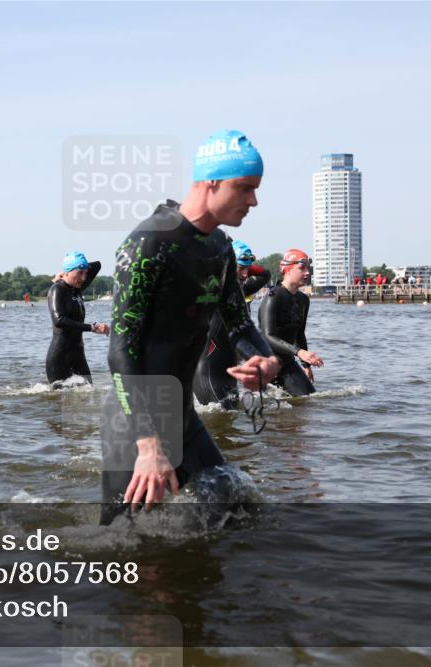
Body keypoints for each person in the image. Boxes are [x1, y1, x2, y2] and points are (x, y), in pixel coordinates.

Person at [102, 129, 279, 524]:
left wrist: (264, 359)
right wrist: (148, 446)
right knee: (127, 544)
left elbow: (238, 324)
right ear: (211, 181)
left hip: (183, 419)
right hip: (134, 422)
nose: (254, 200)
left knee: (241, 512)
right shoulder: (150, 241)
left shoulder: (220, 247)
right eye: (244, 188)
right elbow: (120, 349)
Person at [193, 239, 271, 409]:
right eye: (241, 269)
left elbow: (266, 274)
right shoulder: (214, 292)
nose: (245, 274)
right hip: (208, 376)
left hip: (229, 377)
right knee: (218, 428)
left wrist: (245, 264)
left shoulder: (240, 290)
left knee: (231, 430)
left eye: (247, 269)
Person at [258, 249, 323, 397]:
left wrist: (306, 365)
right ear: (287, 270)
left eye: (308, 268)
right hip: (266, 362)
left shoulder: (303, 300)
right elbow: (267, 336)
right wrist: (300, 352)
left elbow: (299, 334)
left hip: (287, 361)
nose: (307, 273)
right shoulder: (273, 296)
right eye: (302, 268)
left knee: (307, 400)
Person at [46, 251, 107, 384]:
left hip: (78, 354)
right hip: (60, 356)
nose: (84, 277)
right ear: (67, 271)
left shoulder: (77, 289)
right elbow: (59, 320)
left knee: (88, 394)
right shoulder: (57, 289)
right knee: (60, 400)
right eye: (80, 273)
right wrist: (91, 327)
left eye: (85, 272)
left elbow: (97, 265)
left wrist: (81, 266)